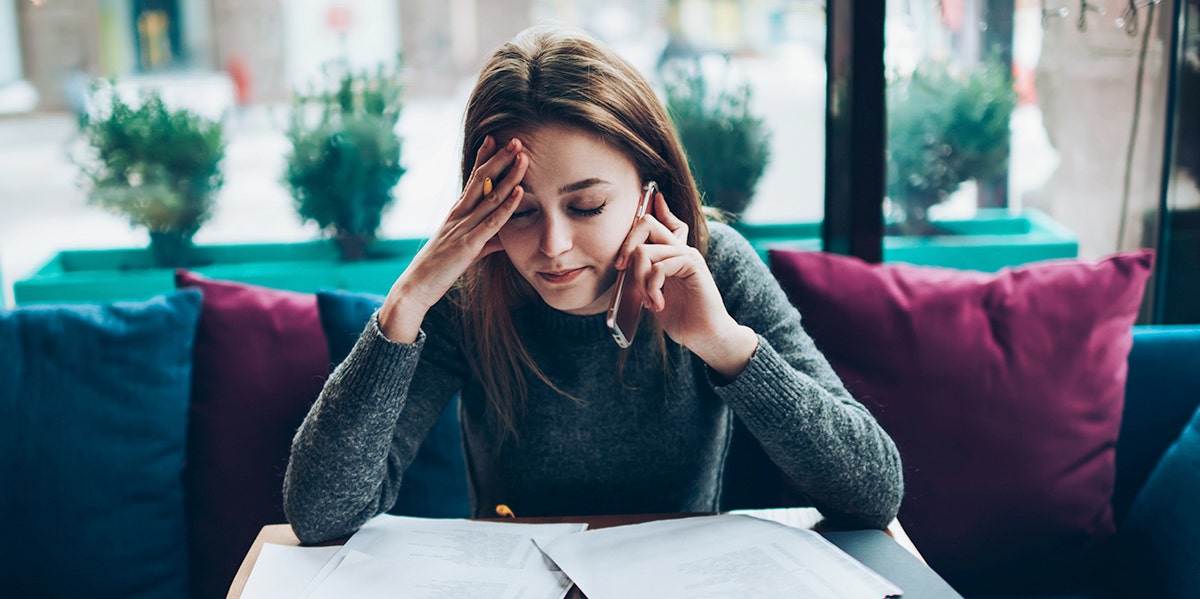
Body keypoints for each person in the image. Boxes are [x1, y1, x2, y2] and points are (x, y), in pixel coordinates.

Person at [283, 25, 903, 545]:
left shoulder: (715, 267)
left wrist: (724, 344)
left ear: (649, 190)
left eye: (587, 208)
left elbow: (874, 492)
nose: (552, 247)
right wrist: (409, 299)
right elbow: (320, 516)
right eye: (521, 212)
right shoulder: (472, 293)